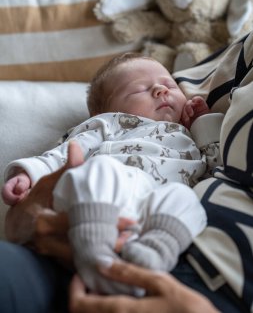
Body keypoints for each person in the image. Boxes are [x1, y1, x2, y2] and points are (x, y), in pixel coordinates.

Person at [2, 53, 223, 295]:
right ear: (107, 111)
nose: (161, 89)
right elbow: (66, 153)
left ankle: (153, 254)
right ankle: (94, 252)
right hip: (103, 198)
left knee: (186, 199)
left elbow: (216, 165)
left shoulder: (189, 137)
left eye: (169, 84)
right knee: (100, 169)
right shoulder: (111, 124)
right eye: (140, 90)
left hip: (153, 212)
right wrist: (29, 174)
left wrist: (203, 121)